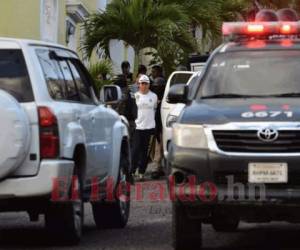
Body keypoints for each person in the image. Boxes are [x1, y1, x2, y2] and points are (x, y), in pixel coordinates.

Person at [131, 74, 158, 181]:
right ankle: (132, 171)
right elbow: (132, 111)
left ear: (149, 85)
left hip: (150, 128)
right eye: (142, 83)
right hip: (138, 127)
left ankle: (142, 172)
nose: (144, 85)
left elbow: (155, 110)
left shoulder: (154, 96)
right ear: (139, 84)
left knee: (145, 152)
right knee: (135, 150)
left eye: (146, 83)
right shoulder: (135, 96)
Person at [150, 65, 166, 179]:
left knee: (159, 147)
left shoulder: (162, 101)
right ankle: (157, 168)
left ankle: (157, 168)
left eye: (154, 71)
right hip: (156, 125)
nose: (152, 73)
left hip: (161, 125)